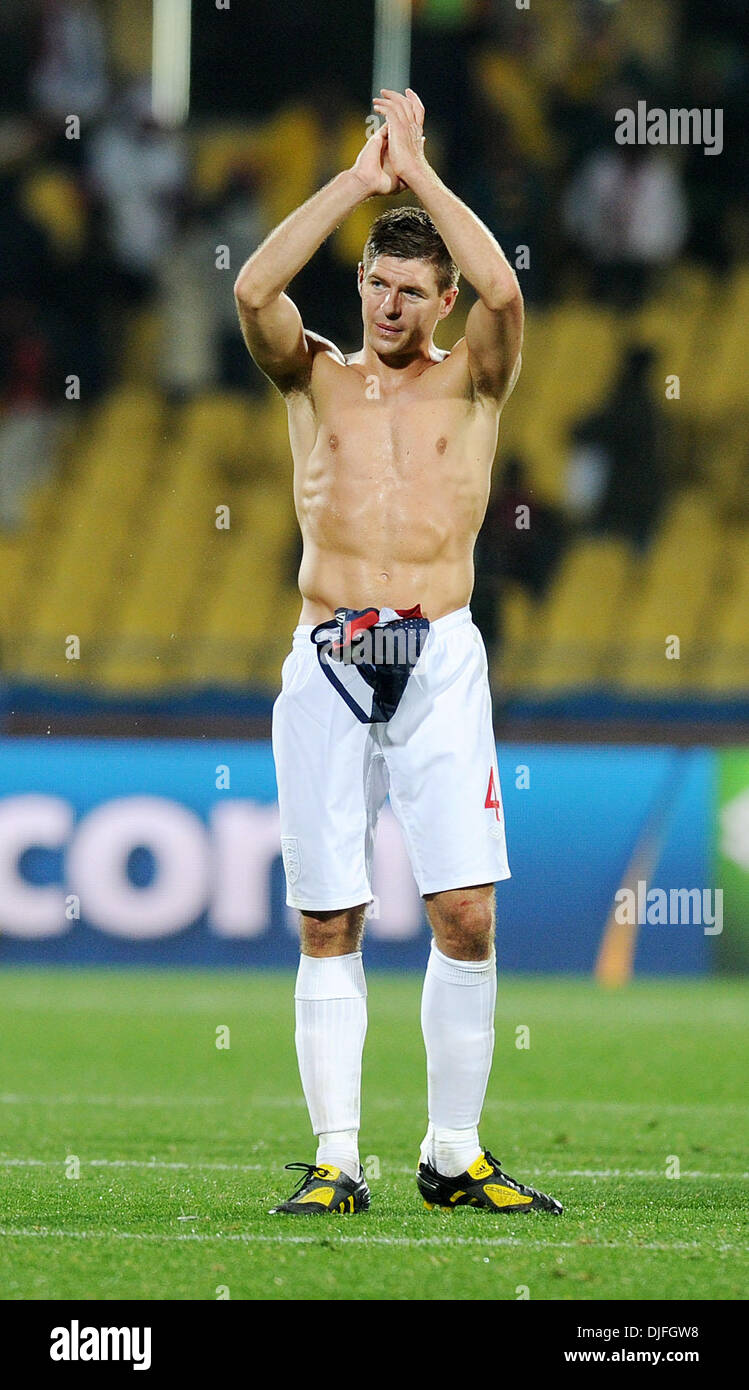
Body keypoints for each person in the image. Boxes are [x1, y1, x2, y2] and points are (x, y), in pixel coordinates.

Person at [234, 88, 562, 1218]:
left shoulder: (473, 380)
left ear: (443, 299)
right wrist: (356, 183)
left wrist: (418, 172)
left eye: (410, 288)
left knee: (462, 912)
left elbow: (510, 289)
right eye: (374, 280)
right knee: (329, 917)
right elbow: (250, 287)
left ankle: (451, 1151)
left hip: (436, 659)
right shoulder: (313, 372)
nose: (385, 301)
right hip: (324, 656)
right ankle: (336, 1158)